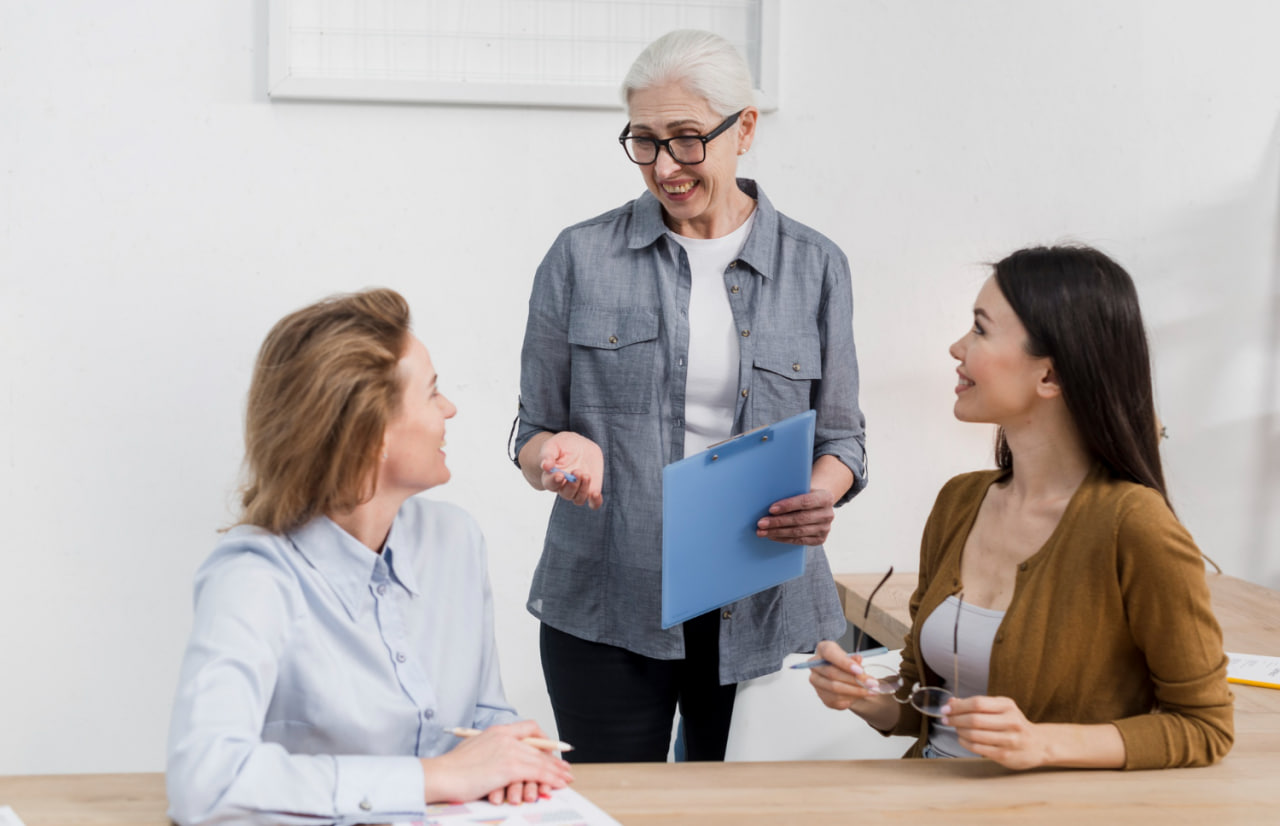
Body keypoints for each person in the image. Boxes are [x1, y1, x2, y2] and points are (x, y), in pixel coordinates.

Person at [513, 29, 867, 763]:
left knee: (746, 815)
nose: (664, 167)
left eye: (685, 139)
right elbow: (532, 431)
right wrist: (556, 454)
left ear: (744, 128)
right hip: (609, 601)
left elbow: (843, 440)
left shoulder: (816, 266)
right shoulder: (579, 256)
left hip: (766, 605)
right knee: (613, 809)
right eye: (643, 141)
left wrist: (820, 495)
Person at [807, 246, 1234, 769]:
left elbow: (1204, 726)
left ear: (1050, 377)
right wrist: (868, 696)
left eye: (981, 330)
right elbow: (925, 702)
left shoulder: (1135, 526)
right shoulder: (959, 502)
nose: (956, 347)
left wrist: (1044, 744)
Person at [167, 289, 573, 826]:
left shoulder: (456, 541)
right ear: (371, 434)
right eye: (432, 394)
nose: (449, 408)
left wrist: (511, 754)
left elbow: (482, 717)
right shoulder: (253, 576)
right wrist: (441, 778)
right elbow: (205, 781)